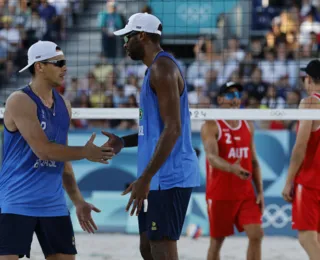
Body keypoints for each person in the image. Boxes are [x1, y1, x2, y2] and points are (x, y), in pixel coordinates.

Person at [0, 40, 114, 260]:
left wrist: (78, 201)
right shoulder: (19, 100)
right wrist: (85, 152)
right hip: (16, 201)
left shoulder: (64, 105)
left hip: (53, 204)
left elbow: (63, 160)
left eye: (65, 62)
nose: (65, 67)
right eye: (58, 62)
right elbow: (44, 151)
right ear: (39, 66)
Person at [104, 12, 200, 260]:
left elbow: (173, 128)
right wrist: (124, 141)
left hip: (170, 176)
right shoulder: (154, 70)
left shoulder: (162, 68)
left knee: (162, 247)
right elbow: (155, 130)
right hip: (156, 176)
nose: (125, 44)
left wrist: (145, 178)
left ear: (142, 36)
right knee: (147, 247)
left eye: (128, 37)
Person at [201, 82, 264, 260]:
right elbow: (211, 157)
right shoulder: (211, 125)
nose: (235, 99)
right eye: (229, 95)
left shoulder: (248, 124)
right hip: (220, 194)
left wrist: (260, 191)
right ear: (220, 99)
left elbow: (254, 161)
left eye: (237, 95)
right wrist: (231, 168)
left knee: (257, 234)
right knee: (217, 242)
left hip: (245, 193)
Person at [282, 59, 320, 260]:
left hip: (310, 181)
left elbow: (300, 145)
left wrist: (289, 180)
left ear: (309, 80)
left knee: (306, 237)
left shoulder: (310, 102)